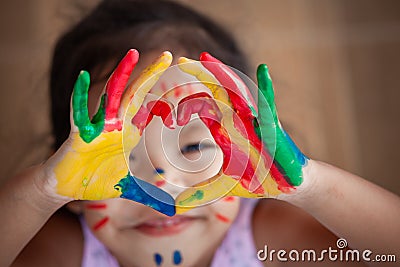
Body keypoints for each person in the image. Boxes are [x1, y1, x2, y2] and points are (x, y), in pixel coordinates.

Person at [1, 0, 399, 266]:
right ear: (72, 181)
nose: (164, 185)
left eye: (192, 147)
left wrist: (309, 185)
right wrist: (43, 191)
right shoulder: (68, 251)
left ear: (250, 151)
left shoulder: (267, 235)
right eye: (123, 156)